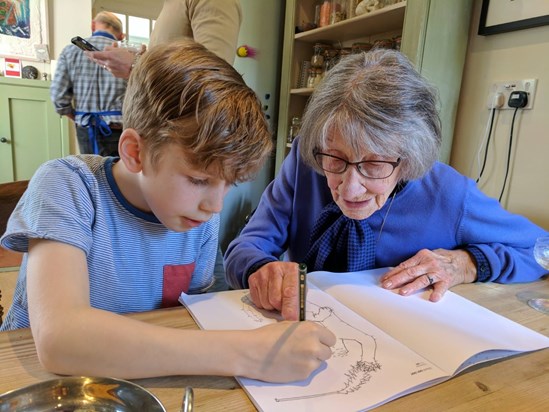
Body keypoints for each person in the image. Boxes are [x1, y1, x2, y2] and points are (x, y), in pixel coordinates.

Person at [0, 39, 336, 383]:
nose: (215, 206)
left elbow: (202, 311)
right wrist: (253, 353)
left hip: (138, 380)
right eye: (199, 179)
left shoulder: (196, 214)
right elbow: (60, 340)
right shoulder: (67, 185)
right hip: (35, 381)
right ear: (135, 152)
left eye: (228, 184)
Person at [224, 49, 549, 320]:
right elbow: (246, 245)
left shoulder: (447, 193)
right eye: (335, 160)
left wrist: (465, 264)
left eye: (375, 165)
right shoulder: (306, 163)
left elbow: (540, 249)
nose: (349, 190)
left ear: (408, 157)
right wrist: (260, 269)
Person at [86, 0, 242, 79]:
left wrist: (135, 66)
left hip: (181, 133)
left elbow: (212, 76)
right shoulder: (171, 4)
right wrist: (141, 58)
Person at [50, 11, 127, 156]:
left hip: (86, 126)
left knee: (89, 173)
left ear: (93, 25)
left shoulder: (70, 51)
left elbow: (58, 96)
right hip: (120, 129)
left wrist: (74, 115)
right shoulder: (126, 54)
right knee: (120, 176)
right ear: (121, 35)